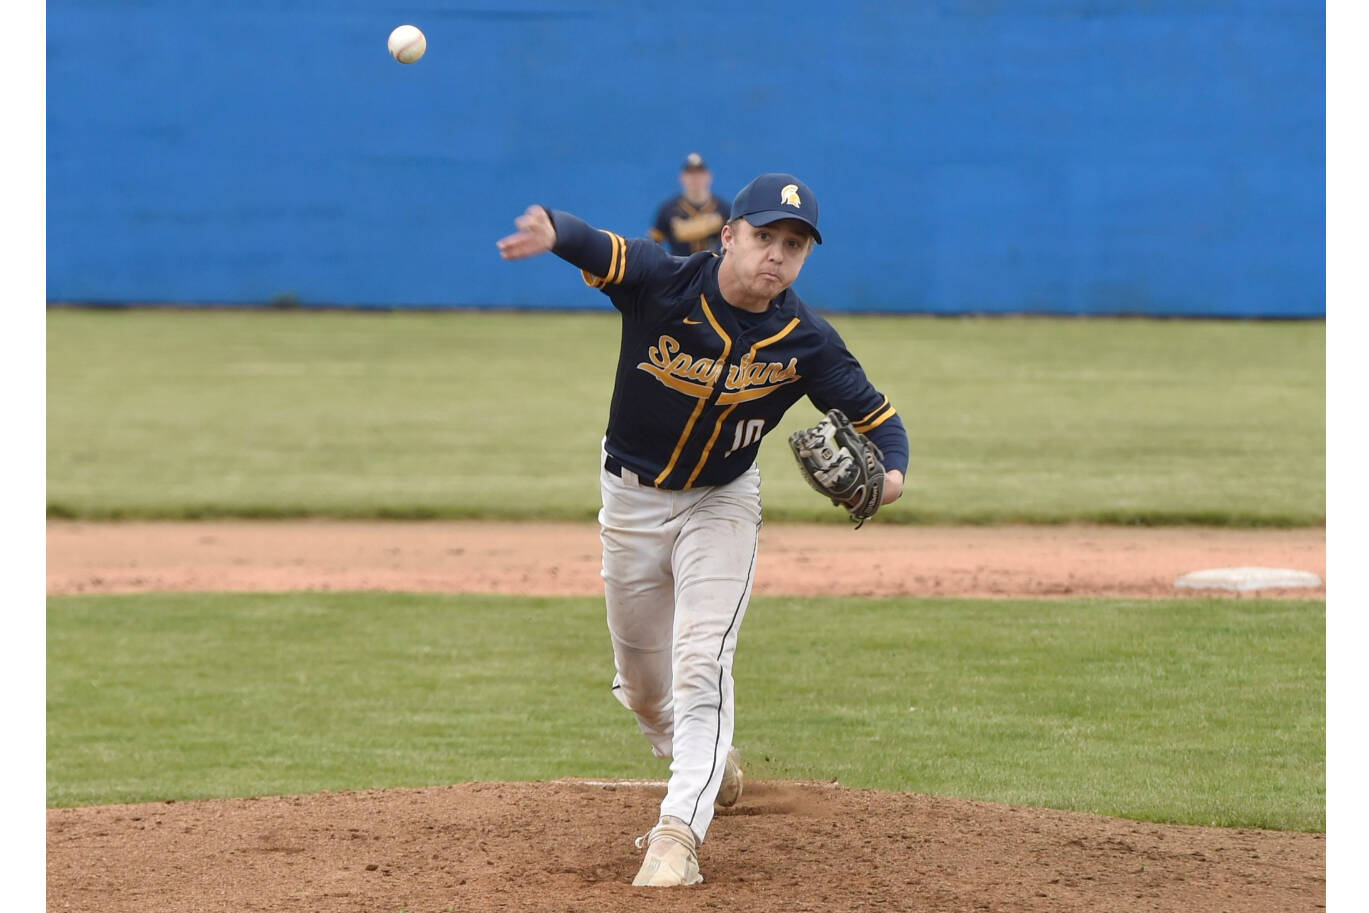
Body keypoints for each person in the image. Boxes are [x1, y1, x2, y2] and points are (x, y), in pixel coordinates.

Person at [496, 173, 908, 887]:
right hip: (628, 503)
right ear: (728, 236)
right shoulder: (664, 281)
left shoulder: (804, 339)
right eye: (762, 237)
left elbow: (882, 424)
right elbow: (597, 244)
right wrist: (554, 233)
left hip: (721, 504)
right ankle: (710, 763)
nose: (775, 255)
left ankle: (677, 834)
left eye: (793, 245)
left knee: (701, 662)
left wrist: (891, 477)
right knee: (644, 687)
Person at [648, 153, 731, 255]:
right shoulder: (668, 209)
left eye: (699, 173)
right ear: (682, 177)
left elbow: (735, 242)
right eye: (690, 174)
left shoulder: (723, 209)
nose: (695, 178)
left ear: (709, 176)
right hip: (679, 268)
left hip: (714, 268)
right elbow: (653, 245)